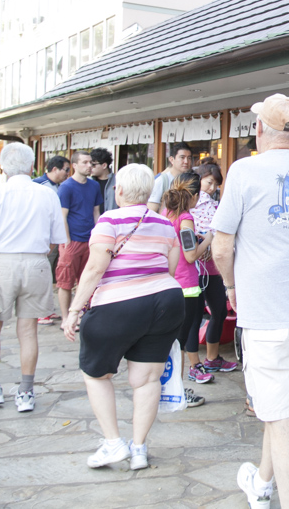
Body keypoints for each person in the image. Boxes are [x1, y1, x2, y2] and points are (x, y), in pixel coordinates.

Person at [211, 93, 289, 509]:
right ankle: (261, 482)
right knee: (279, 407)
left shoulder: (244, 170)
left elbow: (221, 246)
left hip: (265, 313)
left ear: (260, 128)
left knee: (284, 424)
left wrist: (230, 286)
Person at [60, 164, 185, 470]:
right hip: (166, 301)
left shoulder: (109, 220)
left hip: (118, 303)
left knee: (96, 373)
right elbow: (169, 268)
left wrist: (74, 309)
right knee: (146, 379)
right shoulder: (165, 224)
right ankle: (139, 448)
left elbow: (94, 268)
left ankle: (114, 443)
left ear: (118, 191)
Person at [0, 143, 67, 412]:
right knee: (28, 330)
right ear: (32, 166)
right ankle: (26, 392)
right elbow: (56, 241)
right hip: (36, 263)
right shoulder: (47, 194)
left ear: (3, 168)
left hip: (2, 264)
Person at [161, 172, 216, 391]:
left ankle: (171, 388)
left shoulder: (167, 214)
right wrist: (209, 239)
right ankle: (180, 390)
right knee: (180, 344)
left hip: (171, 283)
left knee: (173, 342)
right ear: (193, 197)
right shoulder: (186, 219)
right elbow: (191, 255)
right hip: (188, 287)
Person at [190, 164, 238, 373]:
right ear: (198, 179)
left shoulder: (215, 205)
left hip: (214, 267)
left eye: (215, 184)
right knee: (193, 316)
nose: (211, 188)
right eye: (209, 182)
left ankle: (212, 357)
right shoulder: (188, 204)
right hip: (194, 268)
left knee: (218, 311)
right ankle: (194, 365)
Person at [56, 152, 103, 322]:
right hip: (73, 240)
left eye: (91, 162)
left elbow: (96, 212)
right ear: (74, 165)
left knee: (88, 279)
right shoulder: (66, 187)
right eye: (85, 162)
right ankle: (65, 317)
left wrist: (98, 235)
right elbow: (62, 216)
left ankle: (84, 314)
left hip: (90, 239)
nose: (89, 165)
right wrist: (66, 240)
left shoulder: (94, 186)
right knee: (66, 281)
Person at [34, 156, 71, 326]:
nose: (67, 174)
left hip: (56, 237)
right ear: (54, 169)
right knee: (42, 273)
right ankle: (40, 312)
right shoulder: (38, 185)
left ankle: (47, 310)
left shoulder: (60, 186)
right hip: (42, 237)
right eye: (66, 169)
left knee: (51, 274)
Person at [148, 141, 193, 213]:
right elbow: (151, 210)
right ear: (172, 159)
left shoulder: (189, 180)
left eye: (189, 158)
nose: (186, 161)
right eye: (182, 157)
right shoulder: (162, 180)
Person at [89, 147, 115, 213]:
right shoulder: (88, 182)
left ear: (104, 165)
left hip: (113, 221)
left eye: (93, 164)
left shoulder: (118, 181)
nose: (90, 167)